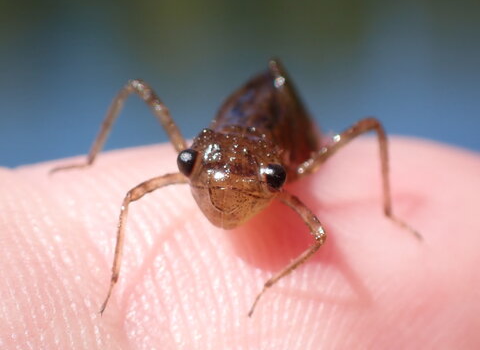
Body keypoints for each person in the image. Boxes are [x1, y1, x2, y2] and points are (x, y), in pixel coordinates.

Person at [1, 138, 479, 349]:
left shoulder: (294, 168)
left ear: (280, 176)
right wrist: (112, 283)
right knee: (132, 182)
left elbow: (320, 235)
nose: (224, 192)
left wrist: (268, 285)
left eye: (274, 180)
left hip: (281, 128)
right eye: (189, 165)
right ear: (187, 160)